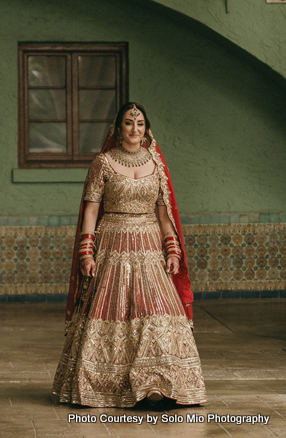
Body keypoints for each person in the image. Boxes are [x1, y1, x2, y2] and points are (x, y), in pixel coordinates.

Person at [52, 102, 207, 407]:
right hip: (112, 244)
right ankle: (109, 384)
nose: (134, 129)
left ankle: (157, 383)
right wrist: (86, 252)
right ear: (118, 128)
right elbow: (92, 210)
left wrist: (172, 249)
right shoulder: (103, 163)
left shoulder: (156, 164)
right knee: (114, 313)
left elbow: (164, 214)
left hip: (150, 247)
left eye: (139, 124)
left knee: (158, 312)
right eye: (128, 123)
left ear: (146, 128)